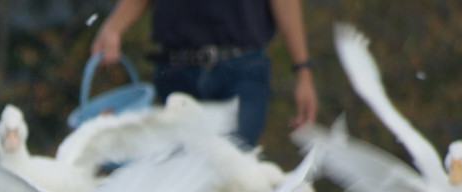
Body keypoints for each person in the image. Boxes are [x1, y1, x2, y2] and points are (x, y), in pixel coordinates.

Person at [90, 0, 316, 147]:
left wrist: (303, 72)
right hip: (176, 72)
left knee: (230, 172)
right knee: (176, 179)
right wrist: (113, 27)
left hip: (241, 70)